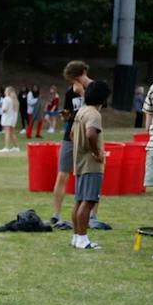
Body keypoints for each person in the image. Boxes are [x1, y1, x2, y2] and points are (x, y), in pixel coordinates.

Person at [69, 77, 108, 250]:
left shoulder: (81, 111)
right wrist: (96, 152)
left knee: (79, 200)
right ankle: (84, 239)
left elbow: (71, 134)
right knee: (89, 201)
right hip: (91, 164)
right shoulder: (94, 114)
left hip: (79, 162)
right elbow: (91, 134)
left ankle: (77, 237)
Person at [51, 62, 92, 217]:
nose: (72, 83)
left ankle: (92, 216)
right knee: (63, 173)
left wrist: (83, 94)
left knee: (89, 174)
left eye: (74, 78)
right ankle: (56, 214)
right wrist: (66, 116)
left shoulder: (96, 88)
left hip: (88, 135)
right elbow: (70, 113)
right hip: (70, 135)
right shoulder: (70, 92)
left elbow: (96, 111)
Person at [1, 85, 20, 151]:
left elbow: (4, 109)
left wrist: (1, 109)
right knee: (12, 133)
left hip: (7, 118)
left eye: (5, 90)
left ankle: (6, 147)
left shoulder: (6, 99)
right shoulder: (15, 100)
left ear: (8, 92)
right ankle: (16, 147)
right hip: (12, 119)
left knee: (7, 132)